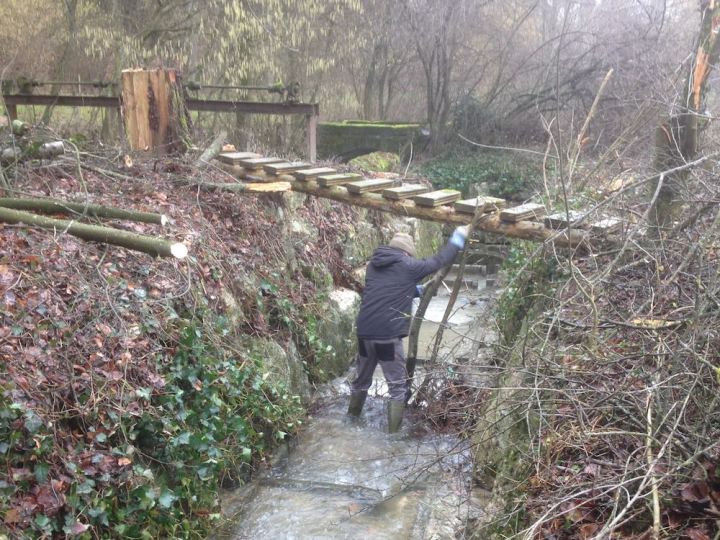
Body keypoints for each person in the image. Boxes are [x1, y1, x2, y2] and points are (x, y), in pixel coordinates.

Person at [347, 226, 468, 432]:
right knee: (397, 388)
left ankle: (350, 422)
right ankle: (393, 438)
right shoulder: (409, 265)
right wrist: (458, 238)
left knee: (361, 381)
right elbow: (439, 260)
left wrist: (416, 290)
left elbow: (385, 290)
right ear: (407, 252)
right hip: (386, 336)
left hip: (365, 333)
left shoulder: (373, 265)